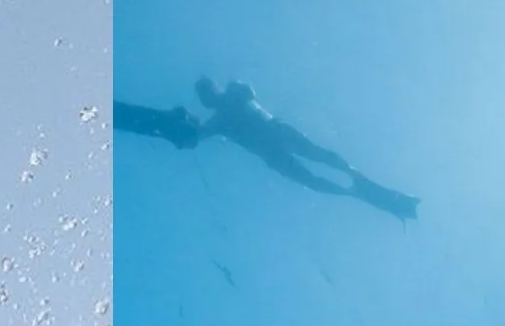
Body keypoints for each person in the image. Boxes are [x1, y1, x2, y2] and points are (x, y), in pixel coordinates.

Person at [130, 78, 419, 220]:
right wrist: (182, 121)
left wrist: (188, 125)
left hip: (277, 134)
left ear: (213, 91)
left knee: (320, 157)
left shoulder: (230, 100)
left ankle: (356, 180)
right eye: (204, 96)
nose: (207, 99)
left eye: (207, 92)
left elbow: (244, 96)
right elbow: (195, 139)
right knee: (313, 178)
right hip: (273, 150)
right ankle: (355, 191)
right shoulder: (218, 120)